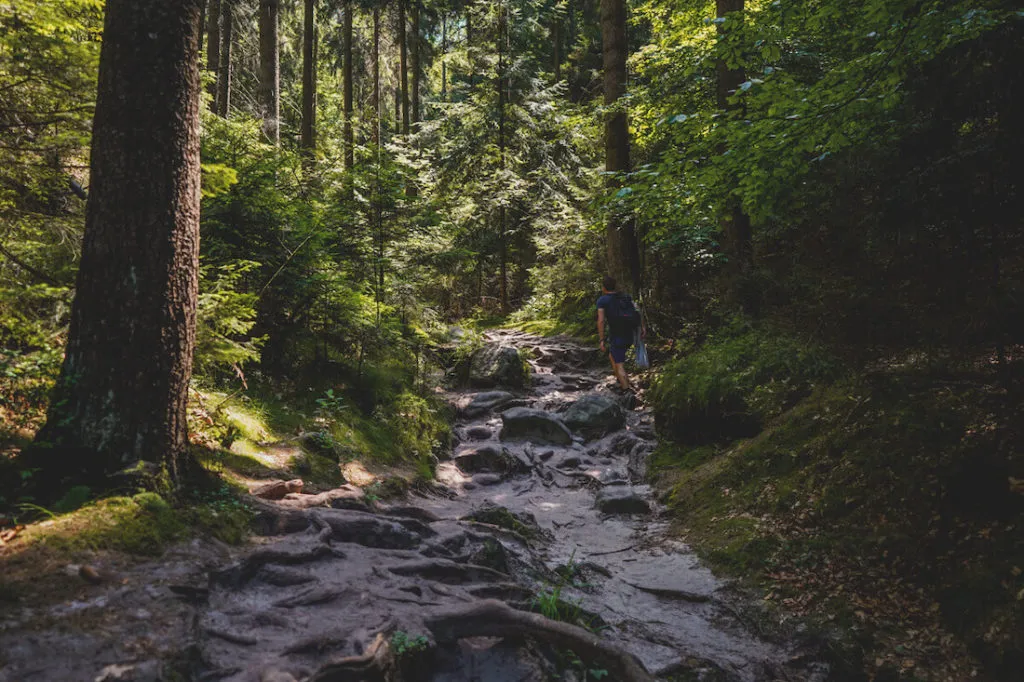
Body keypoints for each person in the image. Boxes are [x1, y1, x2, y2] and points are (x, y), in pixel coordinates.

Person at [596, 275, 645, 390]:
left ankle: (627, 392)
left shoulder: (602, 300)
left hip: (617, 335)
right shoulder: (626, 297)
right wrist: (643, 327)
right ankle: (621, 380)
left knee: (619, 365)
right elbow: (638, 311)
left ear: (603, 288)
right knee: (612, 356)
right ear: (615, 286)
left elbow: (601, 321)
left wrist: (602, 339)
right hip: (630, 333)